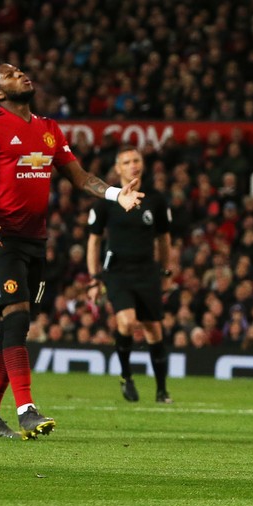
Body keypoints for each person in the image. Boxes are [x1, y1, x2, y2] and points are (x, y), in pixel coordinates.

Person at [0, 62, 143, 440]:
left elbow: (80, 178)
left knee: (12, 328)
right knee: (17, 321)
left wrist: (114, 194)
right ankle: (26, 409)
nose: (21, 75)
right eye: (10, 74)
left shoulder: (49, 129)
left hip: (35, 241)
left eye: (20, 71)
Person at [87, 145, 173, 404]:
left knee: (154, 330)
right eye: (126, 162)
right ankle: (126, 375)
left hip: (147, 271)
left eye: (136, 160)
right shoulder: (107, 200)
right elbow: (93, 241)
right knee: (126, 322)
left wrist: (166, 272)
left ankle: (161, 390)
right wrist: (94, 277)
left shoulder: (156, 199)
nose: (133, 165)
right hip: (118, 272)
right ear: (117, 168)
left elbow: (164, 239)